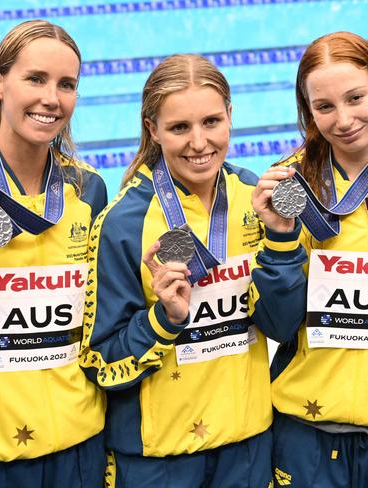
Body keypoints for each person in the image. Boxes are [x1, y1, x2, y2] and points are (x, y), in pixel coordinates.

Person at [249, 31, 368, 488]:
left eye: (355, 97)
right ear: (309, 111)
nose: (343, 119)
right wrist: (279, 236)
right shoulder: (288, 189)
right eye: (324, 107)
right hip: (306, 432)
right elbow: (277, 323)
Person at [79, 54, 272, 488]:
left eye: (211, 122)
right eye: (179, 128)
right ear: (153, 130)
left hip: (247, 447)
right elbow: (100, 362)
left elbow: (281, 322)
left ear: (230, 117)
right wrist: (162, 320)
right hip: (159, 458)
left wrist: (280, 245)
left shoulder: (254, 199)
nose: (199, 143)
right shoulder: (123, 223)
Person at [0, 20, 108, 487]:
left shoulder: (89, 189)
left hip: (79, 447)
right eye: (35, 79)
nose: (52, 99)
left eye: (67, 85)